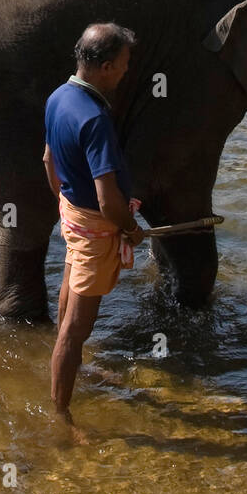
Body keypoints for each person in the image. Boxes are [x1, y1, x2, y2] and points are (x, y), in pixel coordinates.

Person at [44, 22, 144, 425]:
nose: (125, 72)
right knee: (75, 330)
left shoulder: (59, 97)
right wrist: (131, 230)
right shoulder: (96, 120)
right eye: (122, 65)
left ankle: (68, 369)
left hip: (72, 215)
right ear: (103, 67)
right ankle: (61, 415)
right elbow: (107, 199)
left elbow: (49, 162)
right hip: (95, 225)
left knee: (67, 307)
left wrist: (66, 205)